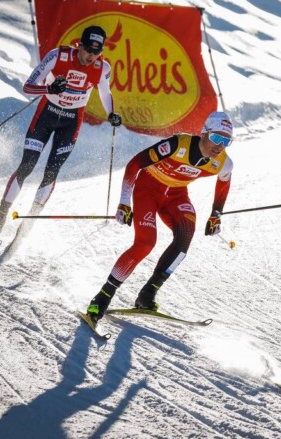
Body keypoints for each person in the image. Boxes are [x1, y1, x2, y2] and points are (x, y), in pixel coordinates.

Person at [85, 111, 234, 323]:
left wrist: (215, 215)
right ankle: (103, 297)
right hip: (148, 189)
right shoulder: (177, 144)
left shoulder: (222, 162)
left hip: (176, 195)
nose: (220, 146)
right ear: (204, 133)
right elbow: (135, 164)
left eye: (226, 141)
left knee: (185, 238)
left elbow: (224, 182)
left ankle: (148, 294)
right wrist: (124, 201)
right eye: (217, 138)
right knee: (146, 243)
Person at [0, 25, 122, 234]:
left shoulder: (103, 68)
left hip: (71, 122)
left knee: (51, 172)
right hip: (46, 115)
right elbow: (28, 86)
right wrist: (48, 88)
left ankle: (28, 222)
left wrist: (111, 113)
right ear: (80, 45)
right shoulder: (57, 56)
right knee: (27, 165)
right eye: (87, 50)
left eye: (97, 52)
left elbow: (105, 93)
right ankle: (1, 214)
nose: (91, 56)